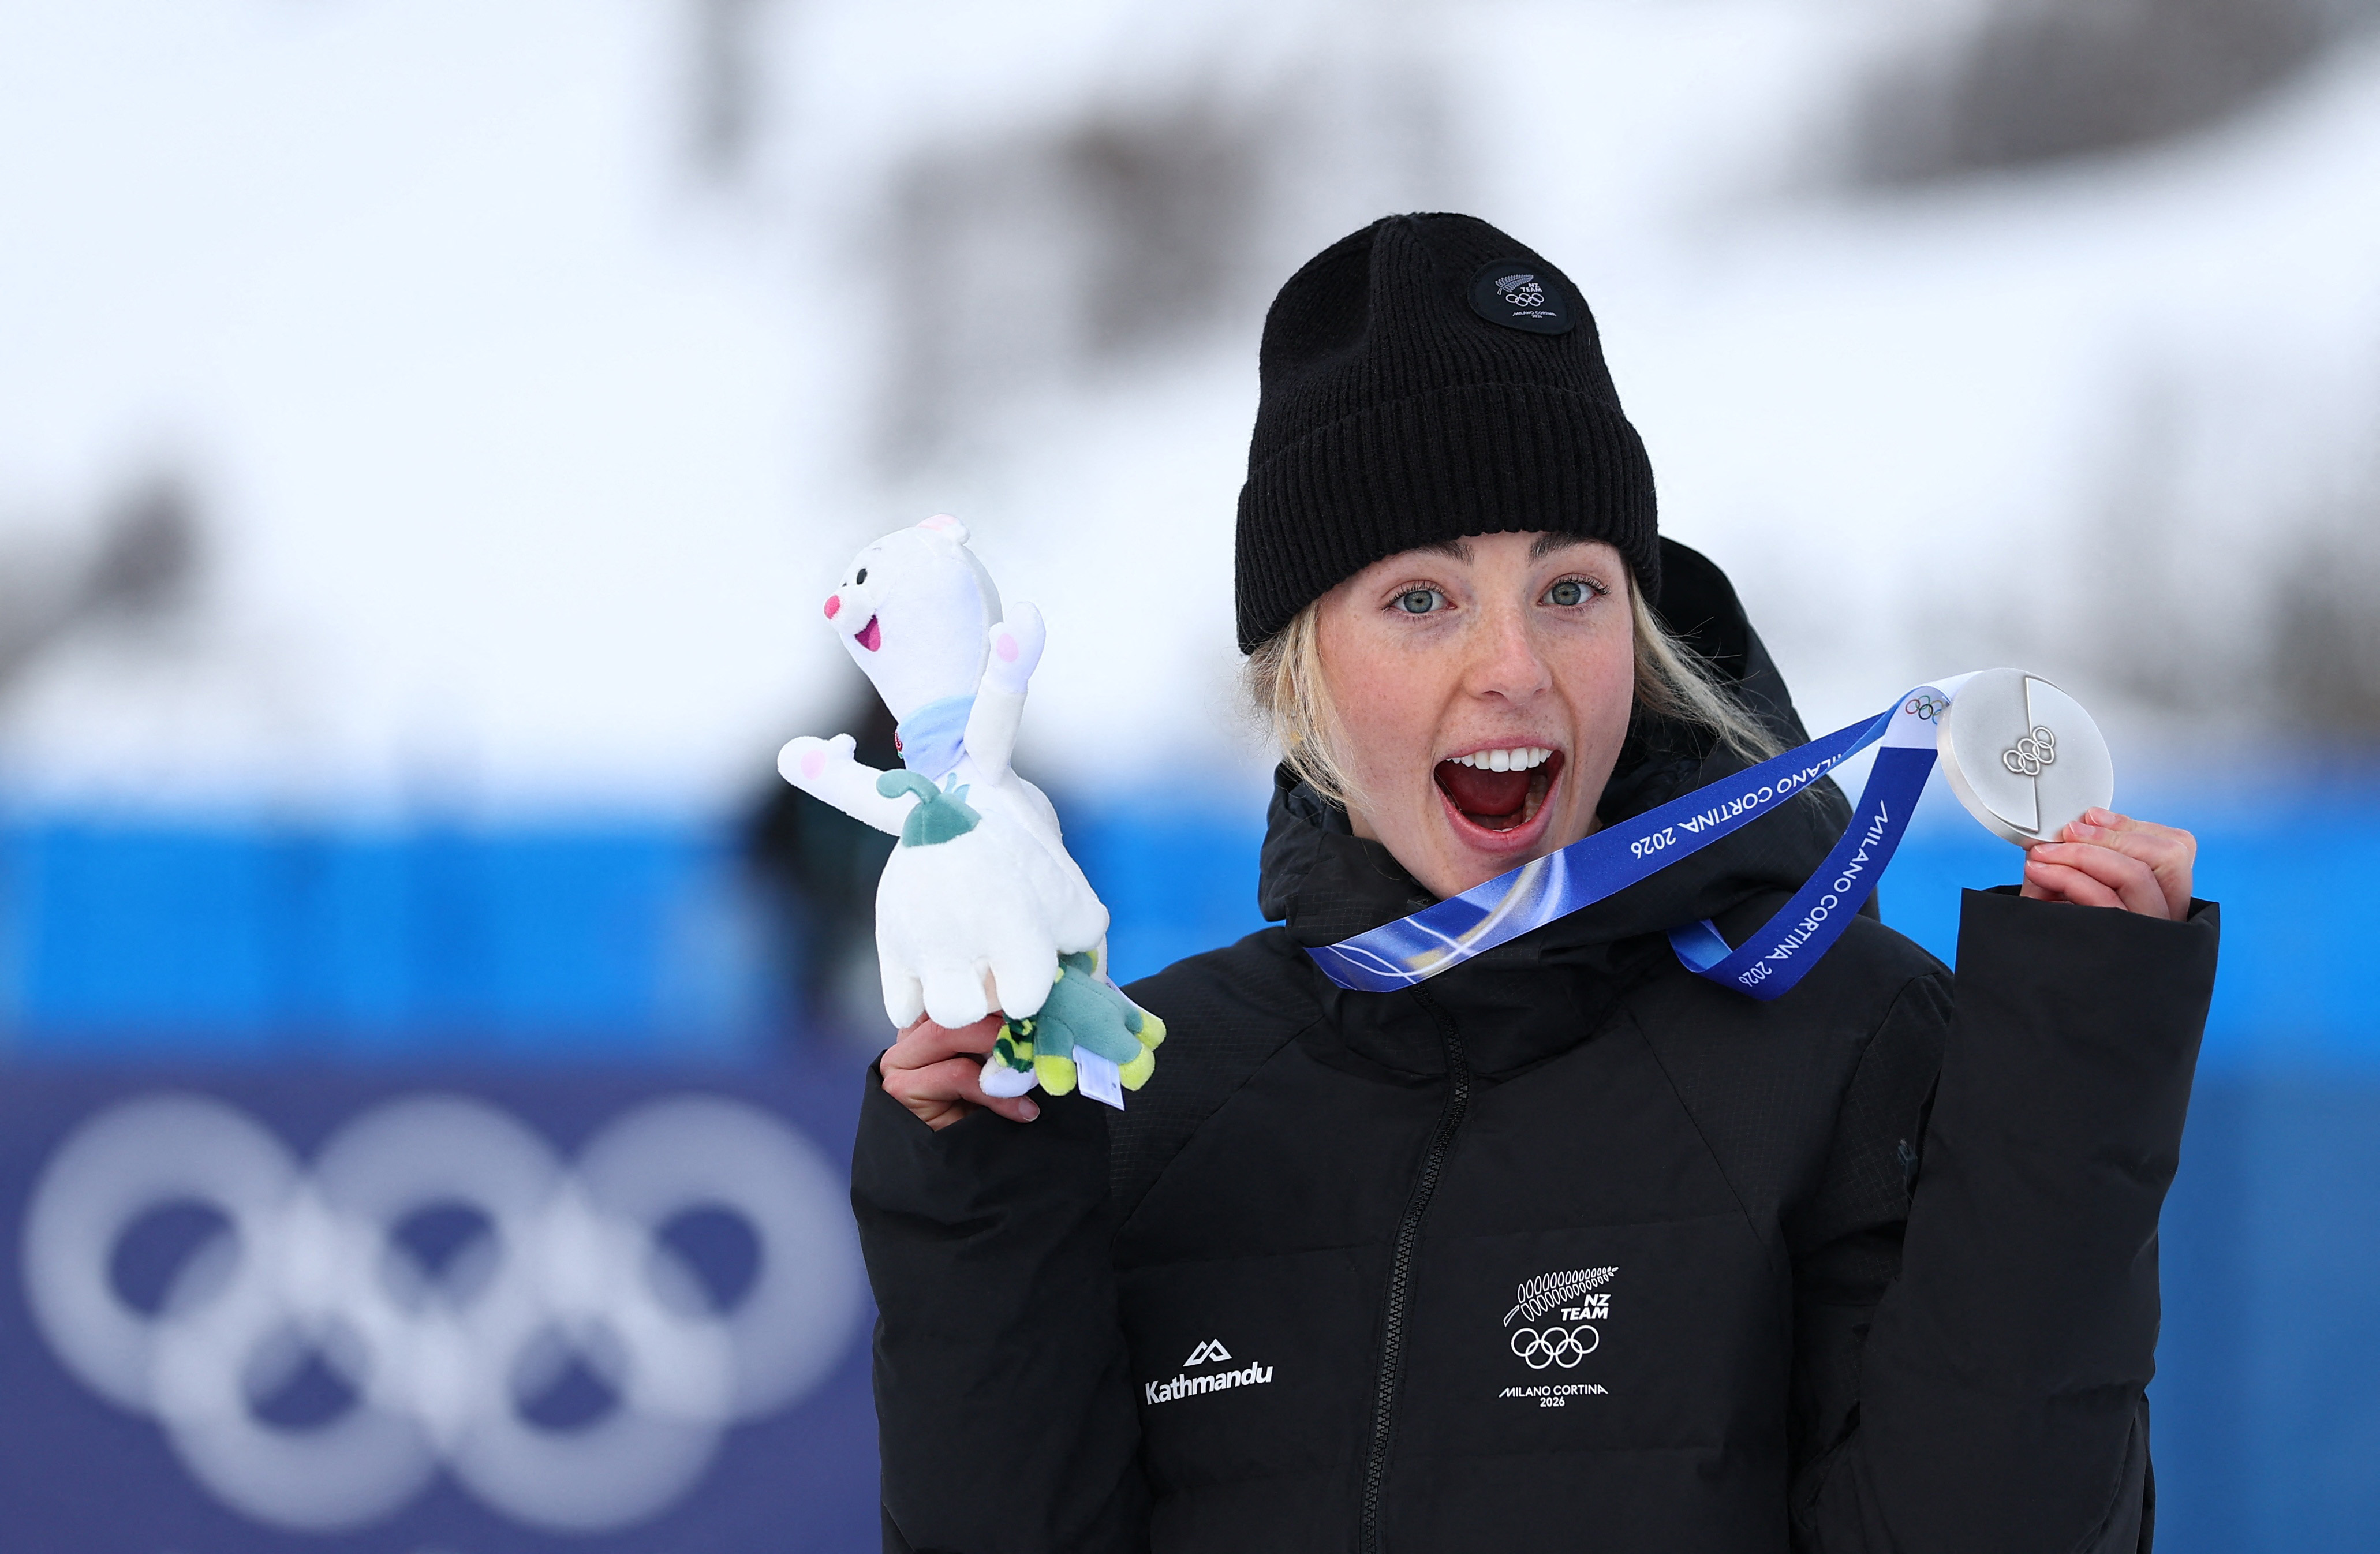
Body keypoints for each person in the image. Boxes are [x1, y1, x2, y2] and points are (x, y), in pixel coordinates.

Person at [851, 214, 2216, 1553]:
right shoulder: (1155, 1091)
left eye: (1570, 590)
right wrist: (980, 1190)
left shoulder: (1851, 1046)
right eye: (1420, 599)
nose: (1513, 664)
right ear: (1299, 671)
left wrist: (2063, 1085)